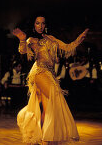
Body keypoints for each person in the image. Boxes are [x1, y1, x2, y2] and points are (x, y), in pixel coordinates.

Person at [13, 14, 89, 144]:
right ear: (34, 25)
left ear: (46, 25)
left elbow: (67, 47)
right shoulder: (31, 39)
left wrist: (79, 39)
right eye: (37, 23)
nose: (40, 26)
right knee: (56, 96)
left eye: (42, 23)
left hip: (50, 74)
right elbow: (23, 51)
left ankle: (44, 138)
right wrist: (22, 39)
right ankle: (47, 136)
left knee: (48, 109)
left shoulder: (51, 38)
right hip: (39, 72)